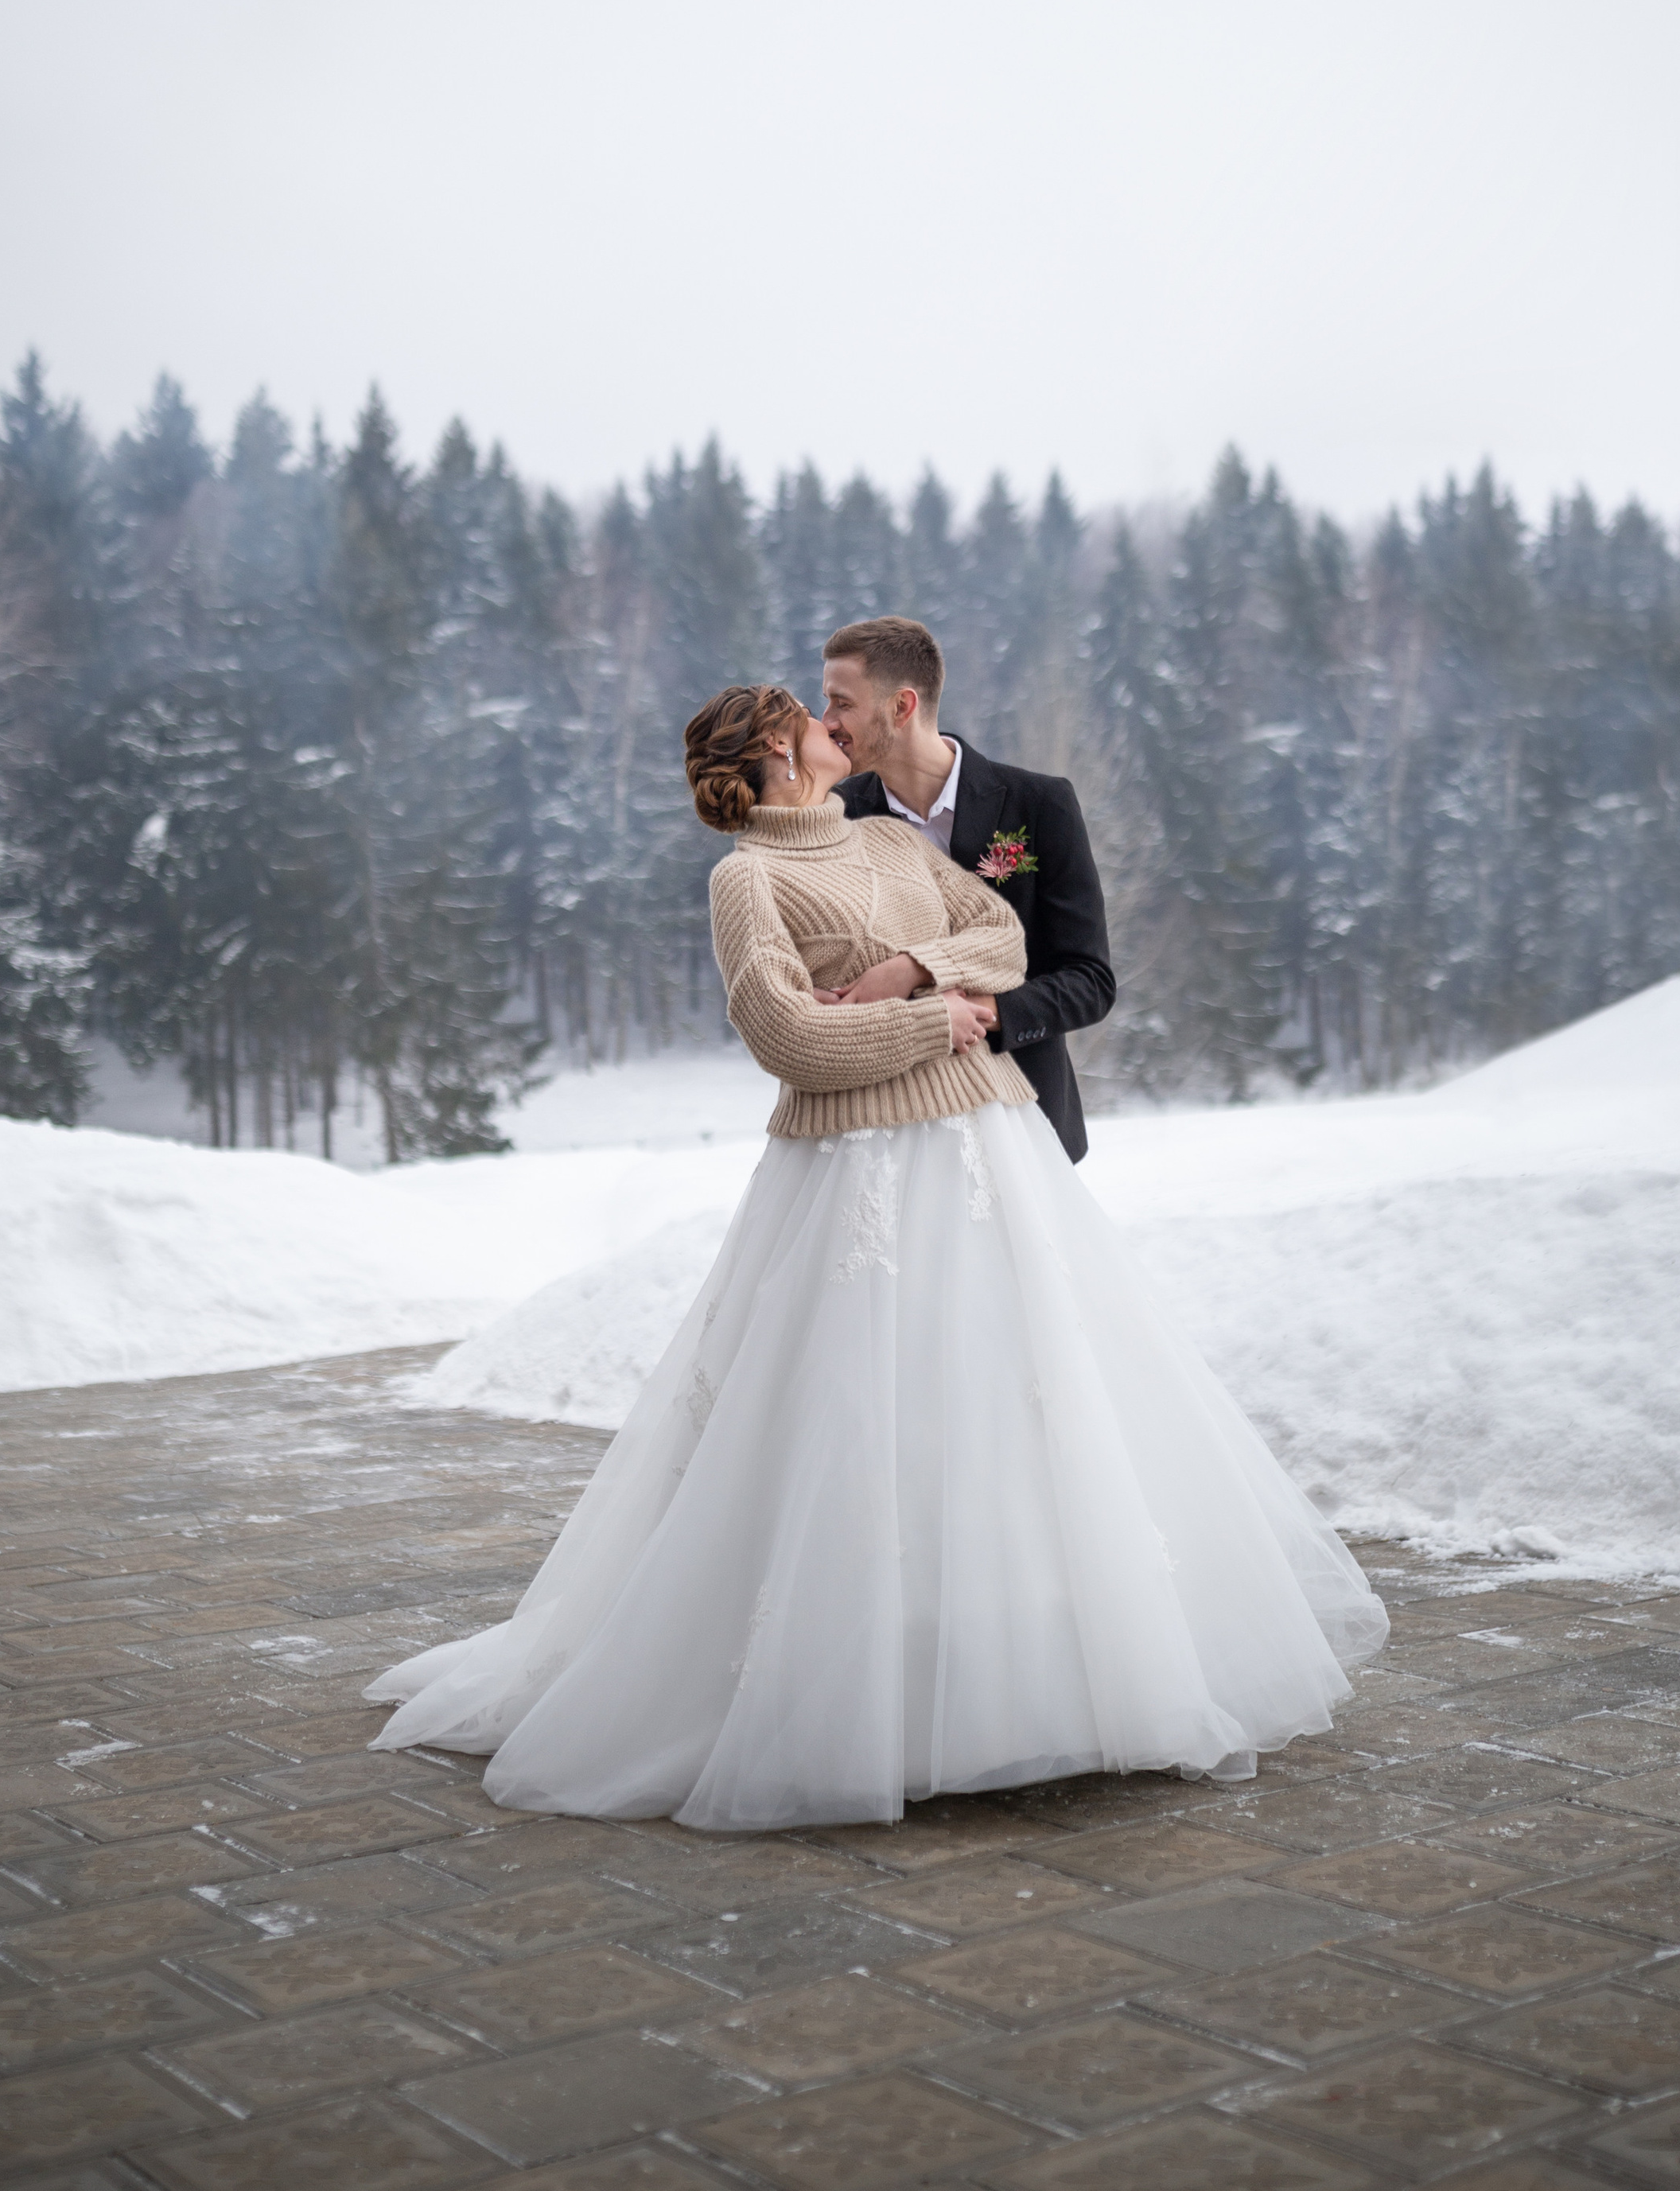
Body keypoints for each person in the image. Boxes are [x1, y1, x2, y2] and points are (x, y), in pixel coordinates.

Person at [365, 682, 1387, 1832]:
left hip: (993, 1155)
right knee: (857, 1427)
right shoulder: (746, 878)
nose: (832, 729)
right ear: (772, 752)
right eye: (812, 719)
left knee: (1012, 1415)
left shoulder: (887, 841)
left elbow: (1000, 933)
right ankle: (859, 1688)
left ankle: (1032, 1670)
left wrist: (911, 974)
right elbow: (786, 1036)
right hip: (852, 1176)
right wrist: (931, 1024)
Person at [822, 613, 1114, 1162]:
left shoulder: (1041, 805)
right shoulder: (836, 816)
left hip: (1024, 1128)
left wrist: (979, 1008)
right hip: (886, 1136)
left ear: (901, 707)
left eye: (842, 702)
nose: (827, 720)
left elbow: (1090, 981)